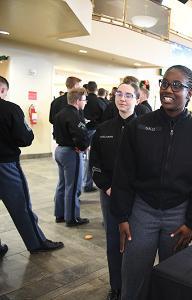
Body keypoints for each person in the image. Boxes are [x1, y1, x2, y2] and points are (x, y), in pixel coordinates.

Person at [111, 65, 192, 299]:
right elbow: (123, 174)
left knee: (172, 278)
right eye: (165, 83)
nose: (169, 89)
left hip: (178, 214)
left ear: (190, 93)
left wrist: (191, 222)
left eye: (177, 85)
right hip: (141, 211)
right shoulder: (138, 126)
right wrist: (121, 216)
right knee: (134, 275)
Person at [0, 76, 64, 253]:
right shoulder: (10, 109)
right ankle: (36, 243)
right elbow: (25, 138)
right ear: (3, 90)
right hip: (5, 166)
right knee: (20, 206)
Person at [90, 82, 139, 300]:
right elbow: (95, 164)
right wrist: (107, 187)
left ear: (137, 99)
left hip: (137, 197)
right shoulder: (103, 129)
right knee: (113, 241)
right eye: (119, 94)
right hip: (109, 193)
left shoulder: (146, 129)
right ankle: (116, 287)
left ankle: (135, 287)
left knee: (137, 243)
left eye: (129, 95)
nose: (123, 99)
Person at [53, 87, 90, 226]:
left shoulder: (60, 113)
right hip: (70, 153)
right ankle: (72, 218)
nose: (85, 103)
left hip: (59, 150)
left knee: (63, 184)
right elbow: (81, 135)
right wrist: (82, 147)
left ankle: (60, 214)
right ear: (77, 100)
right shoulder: (74, 115)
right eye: (84, 100)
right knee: (73, 186)